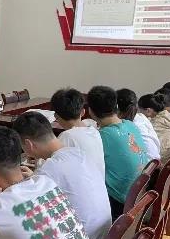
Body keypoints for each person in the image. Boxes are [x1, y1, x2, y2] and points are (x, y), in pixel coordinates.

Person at [12, 112, 111, 239]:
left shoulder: (48, 171)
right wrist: (35, 177)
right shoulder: (78, 153)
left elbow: (19, 208)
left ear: (28, 144)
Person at [87, 86, 148, 220]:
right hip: (140, 194)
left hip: (120, 202)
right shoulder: (130, 125)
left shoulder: (102, 136)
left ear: (90, 111)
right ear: (116, 106)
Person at [50, 88, 105, 177]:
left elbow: (53, 169)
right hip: (99, 183)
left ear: (56, 116)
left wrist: (38, 162)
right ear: (83, 112)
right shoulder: (94, 131)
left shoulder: (67, 136)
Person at [117, 88, 161, 162]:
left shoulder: (126, 126)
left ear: (116, 108)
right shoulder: (141, 117)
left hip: (147, 165)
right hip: (155, 163)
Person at [138, 93, 170, 163]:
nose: (138, 112)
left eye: (139, 109)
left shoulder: (152, 125)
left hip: (160, 163)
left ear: (148, 111)